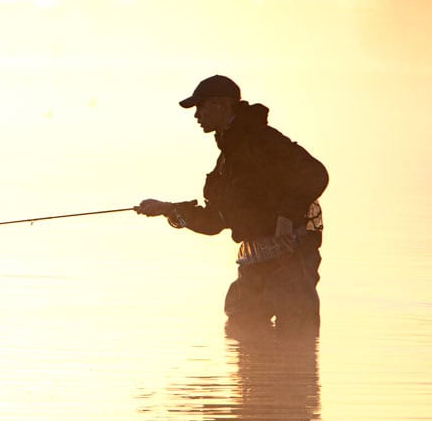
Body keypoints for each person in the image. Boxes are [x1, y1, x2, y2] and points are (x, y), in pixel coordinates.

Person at [135, 75, 328, 331]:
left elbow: (315, 174)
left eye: (200, 107)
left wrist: (285, 218)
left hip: (292, 256)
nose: (196, 116)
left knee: (296, 334)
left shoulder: (262, 139)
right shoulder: (227, 156)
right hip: (255, 259)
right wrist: (168, 210)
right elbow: (216, 222)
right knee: (240, 328)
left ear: (220, 105)